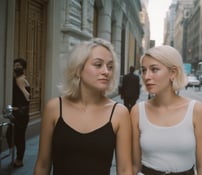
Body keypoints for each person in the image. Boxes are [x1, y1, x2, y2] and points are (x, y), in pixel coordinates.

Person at [34, 38, 133, 175]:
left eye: (110, 67)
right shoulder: (54, 108)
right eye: (98, 65)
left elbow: (125, 170)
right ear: (78, 69)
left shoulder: (119, 113)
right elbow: (42, 165)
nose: (106, 72)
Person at [131, 45, 202, 175]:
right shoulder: (137, 111)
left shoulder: (197, 110)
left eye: (154, 69)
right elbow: (134, 166)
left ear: (173, 73)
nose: (146, 76)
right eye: (144, 70)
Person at [6, 58, 31, 167]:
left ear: (23, 68)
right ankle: (14, 154)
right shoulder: (13, 79)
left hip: (22, 114)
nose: (16, 67)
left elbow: (28, 98)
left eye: (19, 65)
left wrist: (21, 86)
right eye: (15, 65)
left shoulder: (22, 80)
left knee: (19, 137)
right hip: (15, 112)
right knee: (9, 134)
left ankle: (19, 159)